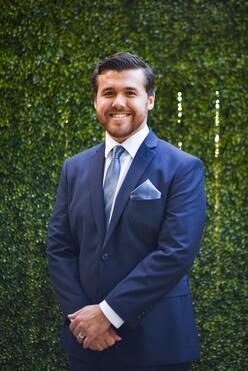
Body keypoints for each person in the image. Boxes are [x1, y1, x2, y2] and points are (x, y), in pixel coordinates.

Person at [47, 52, 206, 371]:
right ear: (96, 101)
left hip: (157, 346)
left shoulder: (183, 168)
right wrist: (84, 320)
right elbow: (60, 248)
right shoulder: (73, 168)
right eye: (108, 93)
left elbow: (175, 253)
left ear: (149, 100)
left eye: (130, 92)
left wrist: (107, 314)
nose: (118, 102)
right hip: (86, 346)